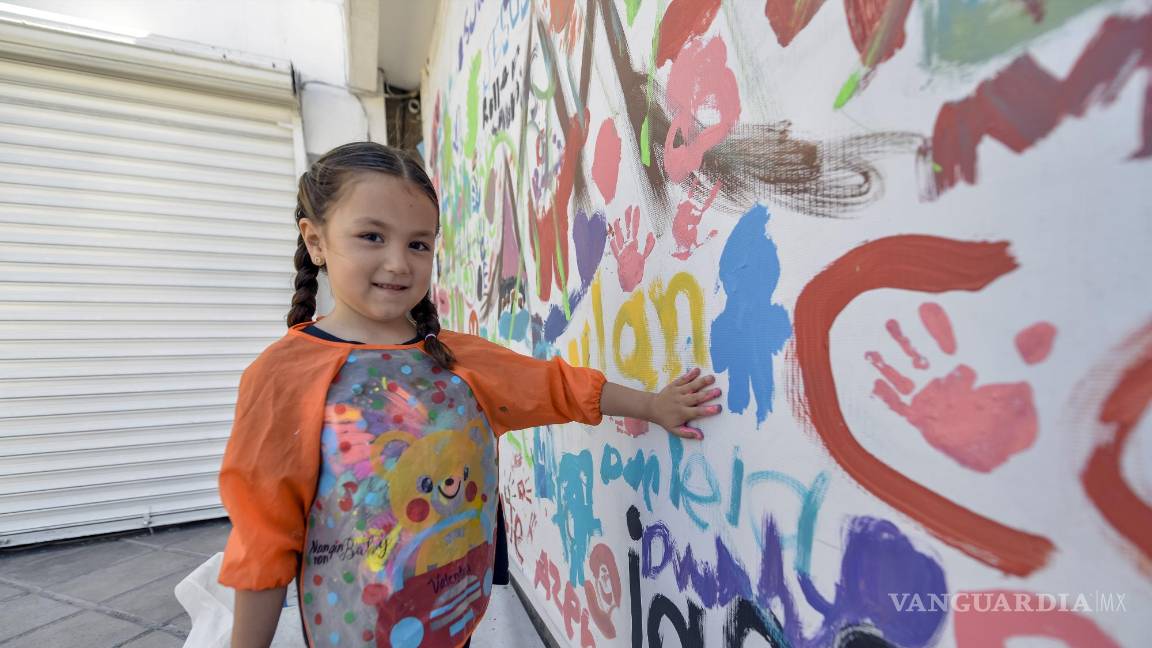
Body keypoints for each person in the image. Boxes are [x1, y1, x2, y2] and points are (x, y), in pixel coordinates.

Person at [218, 142, 723, 648]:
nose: (398, 263)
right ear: (316, 240)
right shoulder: (281, 377)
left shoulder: (458, 359)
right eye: (372, 236)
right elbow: (263, 541)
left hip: (454, 617)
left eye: (419, 244)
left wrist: (653, 406)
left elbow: (557, 387)